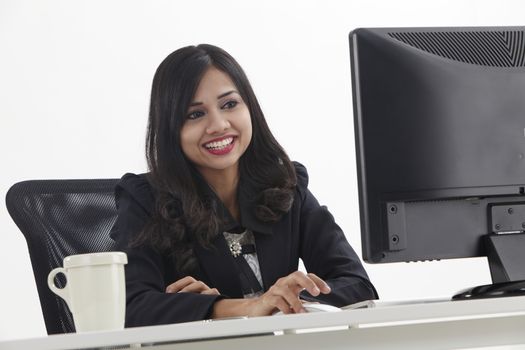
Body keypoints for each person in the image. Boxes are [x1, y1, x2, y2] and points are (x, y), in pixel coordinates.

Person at [110, 44, 377, 327]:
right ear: (170, 129)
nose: (219, 125)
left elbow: (357, 285)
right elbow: (130, 308)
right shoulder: (145, 199)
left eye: (229, 105)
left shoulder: (286, 186)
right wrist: (237, 307)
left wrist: (283, 302)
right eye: (195, 115)